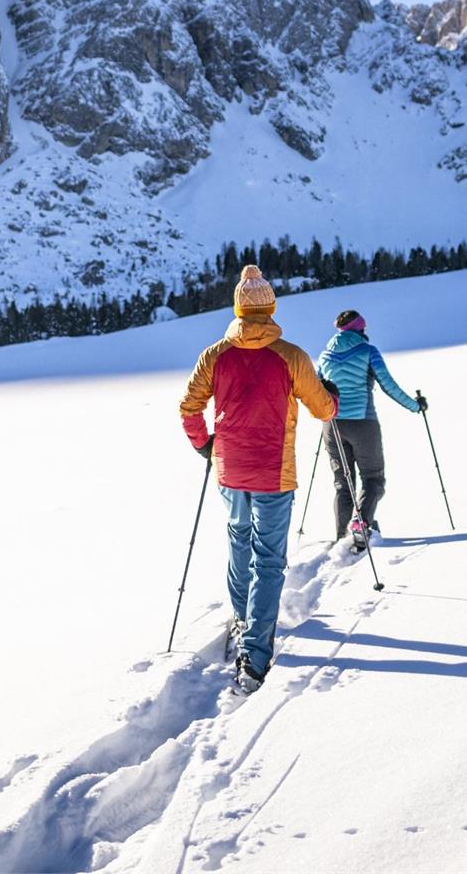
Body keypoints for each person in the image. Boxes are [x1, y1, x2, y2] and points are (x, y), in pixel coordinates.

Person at [179, 264, 336, 694]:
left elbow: (189, 408)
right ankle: (256, 654)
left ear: (238, 308)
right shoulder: (291, 356)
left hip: (229, 470)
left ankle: (242, 621)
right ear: (270, 308)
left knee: (238, 545)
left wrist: (205, 446)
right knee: (267, 560)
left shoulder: (214, 355)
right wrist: (331, 396)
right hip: (273, 472)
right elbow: (323, 410)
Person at [315, 309, 427, 550]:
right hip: (363, 423)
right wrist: (415, 406)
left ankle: (342, 536)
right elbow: (388, 385)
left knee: (342, 482)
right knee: (373, 479)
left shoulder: (325, 356)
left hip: (332, 425)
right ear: (360, 329)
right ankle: (361, 524)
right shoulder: (368, 352)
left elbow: (317, 389)